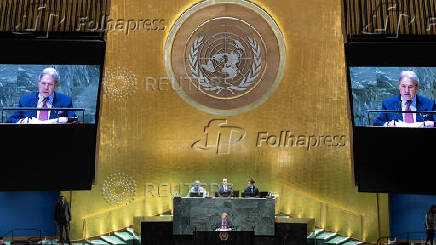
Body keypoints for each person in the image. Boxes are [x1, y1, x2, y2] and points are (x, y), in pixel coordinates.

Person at [7, 67, 76, 123]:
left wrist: (63, 120)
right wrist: (21, 121)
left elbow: (74, 121)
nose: (46, 88)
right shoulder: (25, 100)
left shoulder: (66, 101)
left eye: (50, 84)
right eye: (43, 83)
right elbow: (10, 120)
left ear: (56, 85)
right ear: (38, 83)